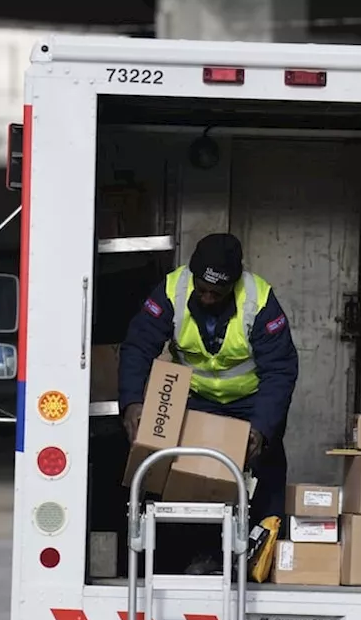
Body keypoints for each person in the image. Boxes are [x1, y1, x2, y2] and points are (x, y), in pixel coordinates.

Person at [118, 232, 299, 573]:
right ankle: (196, 557)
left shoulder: (259, 300)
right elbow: (138, 347)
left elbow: (280, 370)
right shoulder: (172, 290)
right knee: (187, 476)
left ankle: (262, 560)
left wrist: (261, 428)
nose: (207, 297)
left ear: (234, 283)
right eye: (202, 288)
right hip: (197, 398)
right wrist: (131, 402)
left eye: (217, 292)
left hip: (250, 402)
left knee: (265, 470)